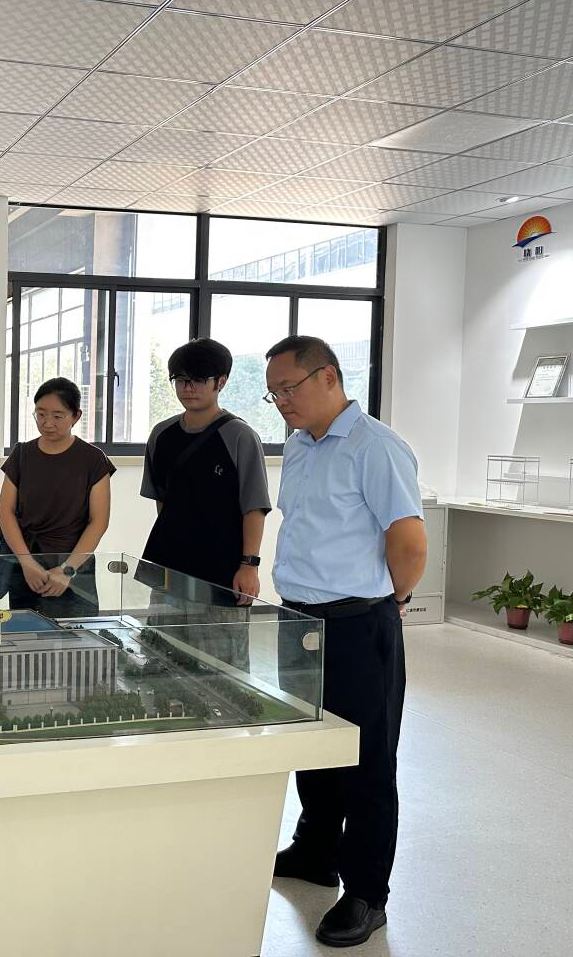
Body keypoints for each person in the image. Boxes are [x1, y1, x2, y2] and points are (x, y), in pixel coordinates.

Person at [264, 336, 427, 948]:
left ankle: (366, 891)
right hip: (299, 618)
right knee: (314, 742)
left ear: (329, 377)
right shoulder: (299, 445)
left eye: (289, 388)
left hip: (359, 622)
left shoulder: (374, 446)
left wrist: (392, 601)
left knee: (367, 758)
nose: (282, 401)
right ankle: (315, 850)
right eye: (273, 393)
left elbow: (408, 542)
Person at [139, 339, 272, 668]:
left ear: (220, 382)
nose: (188, 388)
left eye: (198, 379)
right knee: (162, 659)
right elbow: (163, 502)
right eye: (181, 379)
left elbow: (254, 507)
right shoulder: (161, 435)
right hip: (169, 569)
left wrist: (250, 565)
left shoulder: (240, 436)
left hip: (222, 572)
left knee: (221, 668)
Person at [0, 377, 114, 617]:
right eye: (40, 414)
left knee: (75, 637)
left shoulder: (93, 460)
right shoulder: (22, 454)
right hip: (26, 566)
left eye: (58, 416)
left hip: (74, 567)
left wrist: (67, 570)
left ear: (76, 416)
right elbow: (5, 513)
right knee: (24, 634)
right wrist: (27, 563)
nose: (47, 423)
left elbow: (99, 522)